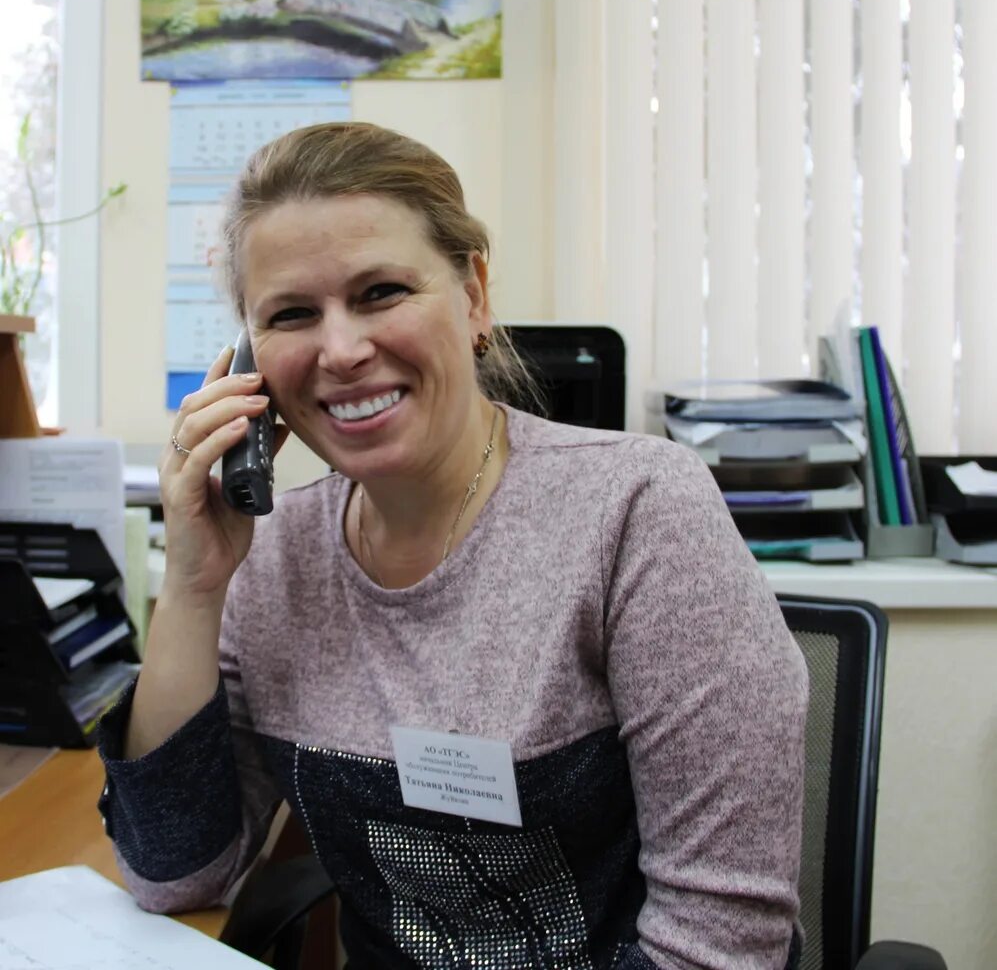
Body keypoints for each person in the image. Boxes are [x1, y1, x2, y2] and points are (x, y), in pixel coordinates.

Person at [97, 122, 808, 969]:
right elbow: (177, 872)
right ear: (250, 360)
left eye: (381, 292)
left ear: (472, 295)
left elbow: (721, 945)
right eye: (291, 314)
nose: (343, 349)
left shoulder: (635, 512)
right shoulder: (273, 557)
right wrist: (191, 586)